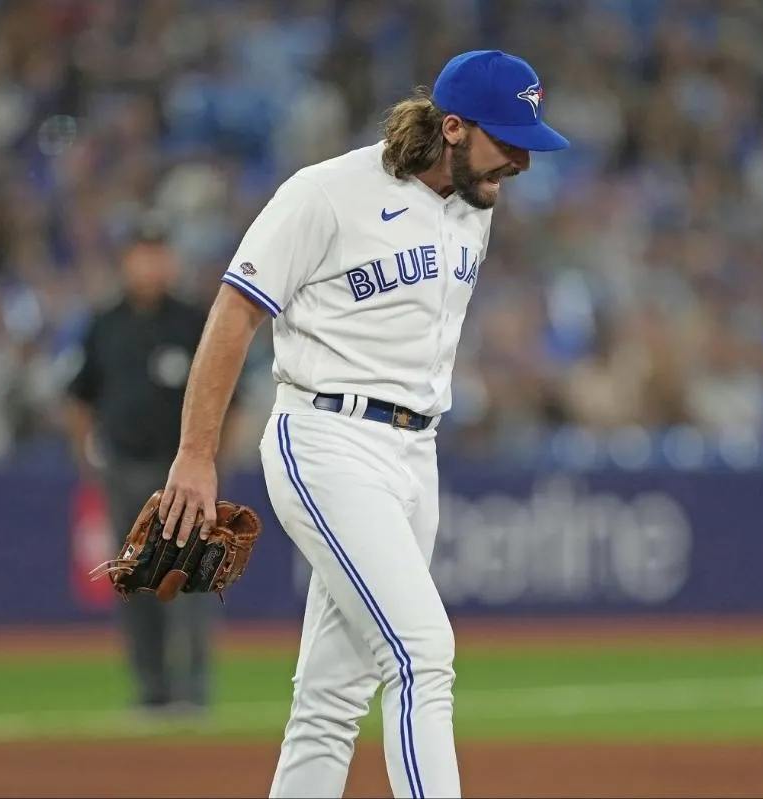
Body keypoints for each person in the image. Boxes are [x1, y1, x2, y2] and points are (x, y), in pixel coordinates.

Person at [155, 50, 569, 798]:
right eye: (506, 140)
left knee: (330, 698)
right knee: (421, 653)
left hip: (416, 454)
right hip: (327, 437)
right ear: (451, 127)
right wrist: (194, 452)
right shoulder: (326, 193)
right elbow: (234, 313)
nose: (519, 161)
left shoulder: (474, 207)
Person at [64, 217, 235, 717]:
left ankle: (194, 693)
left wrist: (215, 460)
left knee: (193, 582)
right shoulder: (106, 323)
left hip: (184, 475)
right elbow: (79, 396)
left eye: (159, 253)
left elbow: (233, 395)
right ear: (126, 261)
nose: (151, 264)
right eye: (142, 253)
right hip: (128, 469)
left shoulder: (192, 320)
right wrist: (90, 458)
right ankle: (151, 691)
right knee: (137, 584)